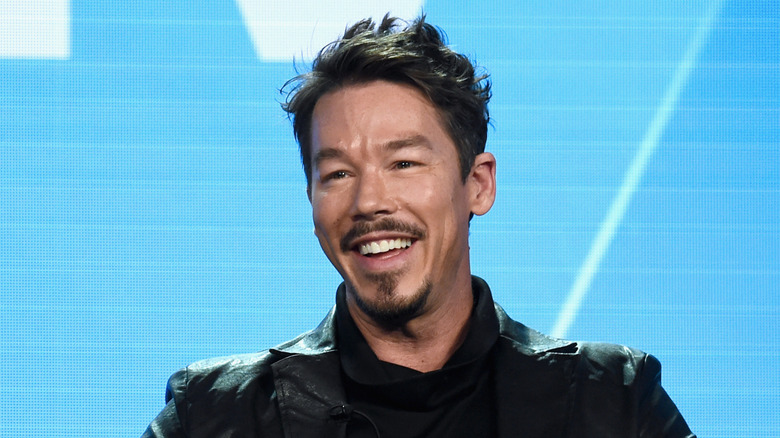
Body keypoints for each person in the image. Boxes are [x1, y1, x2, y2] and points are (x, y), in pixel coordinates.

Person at [143, 15, 694, 438]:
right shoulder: (215, 414)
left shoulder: (614, 401)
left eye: (403, 163)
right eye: (337, 174)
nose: (369, 201)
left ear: (478, 184)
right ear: (311, 198)